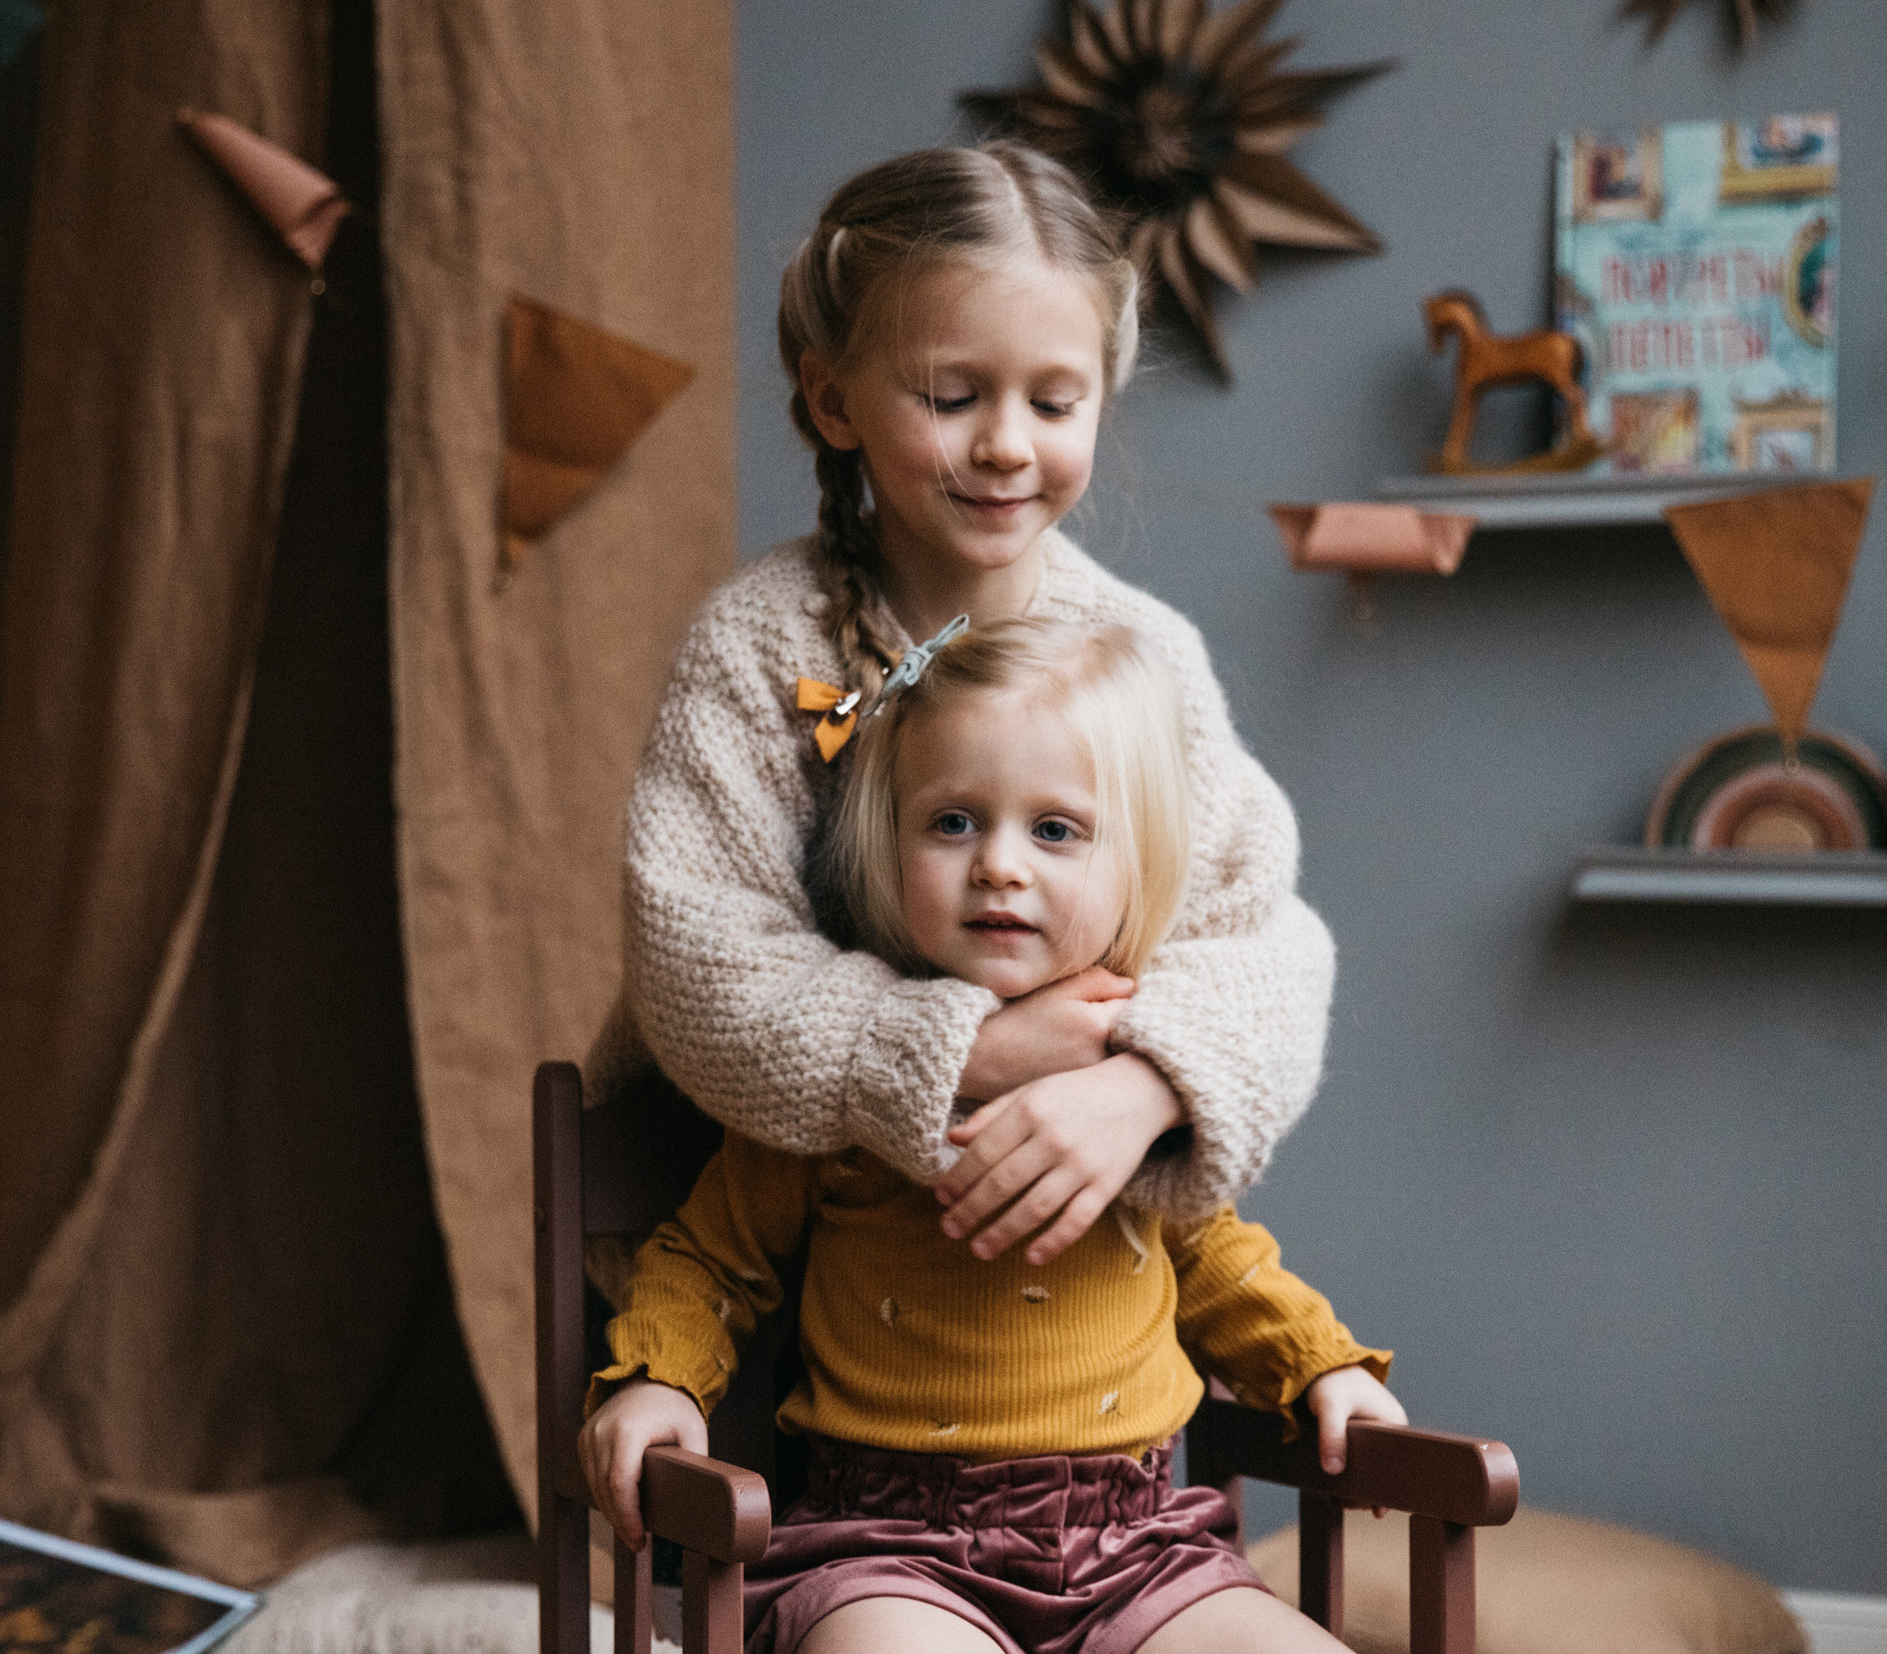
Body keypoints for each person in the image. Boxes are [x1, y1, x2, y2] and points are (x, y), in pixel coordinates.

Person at [586, 619, 1404, 1654]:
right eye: (954, 823)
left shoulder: (1129, 1082)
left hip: (1142, 1548)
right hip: (890, 1547)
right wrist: (660, 1379)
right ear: (888, 848)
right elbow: (711, 1257)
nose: (1001, 867)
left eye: (1056, 831)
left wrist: (1322, 1370)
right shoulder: (848, 1088)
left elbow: (1219, 1259)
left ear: (1134, 869)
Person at [601, 142, 1334, 1266]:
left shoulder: (1143, 656)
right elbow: (699, 966)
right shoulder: (759, 653)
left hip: (1045, 1285)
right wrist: (967, 1052)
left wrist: (1139, 1089)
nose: (1004, 443)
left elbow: (1265, 942)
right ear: (832, 399)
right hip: (749, 1261)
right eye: (952, 397)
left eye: (1052, 401)